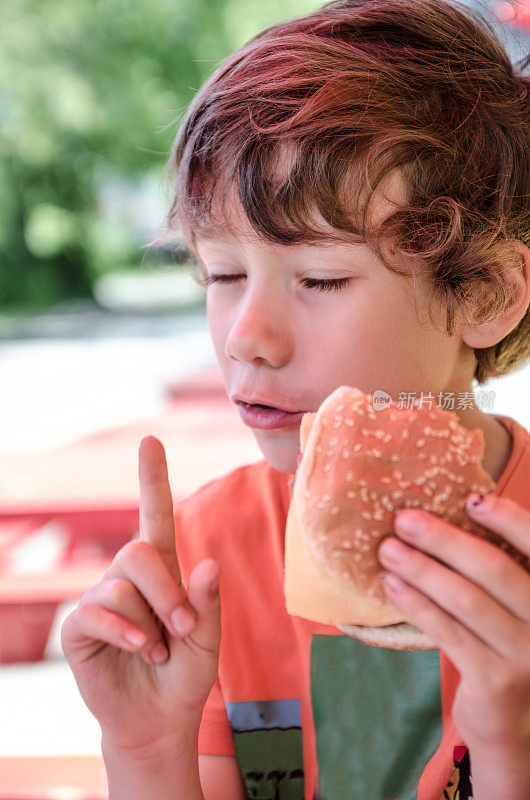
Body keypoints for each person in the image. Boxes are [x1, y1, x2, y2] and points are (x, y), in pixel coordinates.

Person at [61, 0, 530, 798]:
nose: (247, 336)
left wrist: (511, 748)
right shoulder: (203, 559)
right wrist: (145, 751)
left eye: (320, 278)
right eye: (223, 276)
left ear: (483, 293)